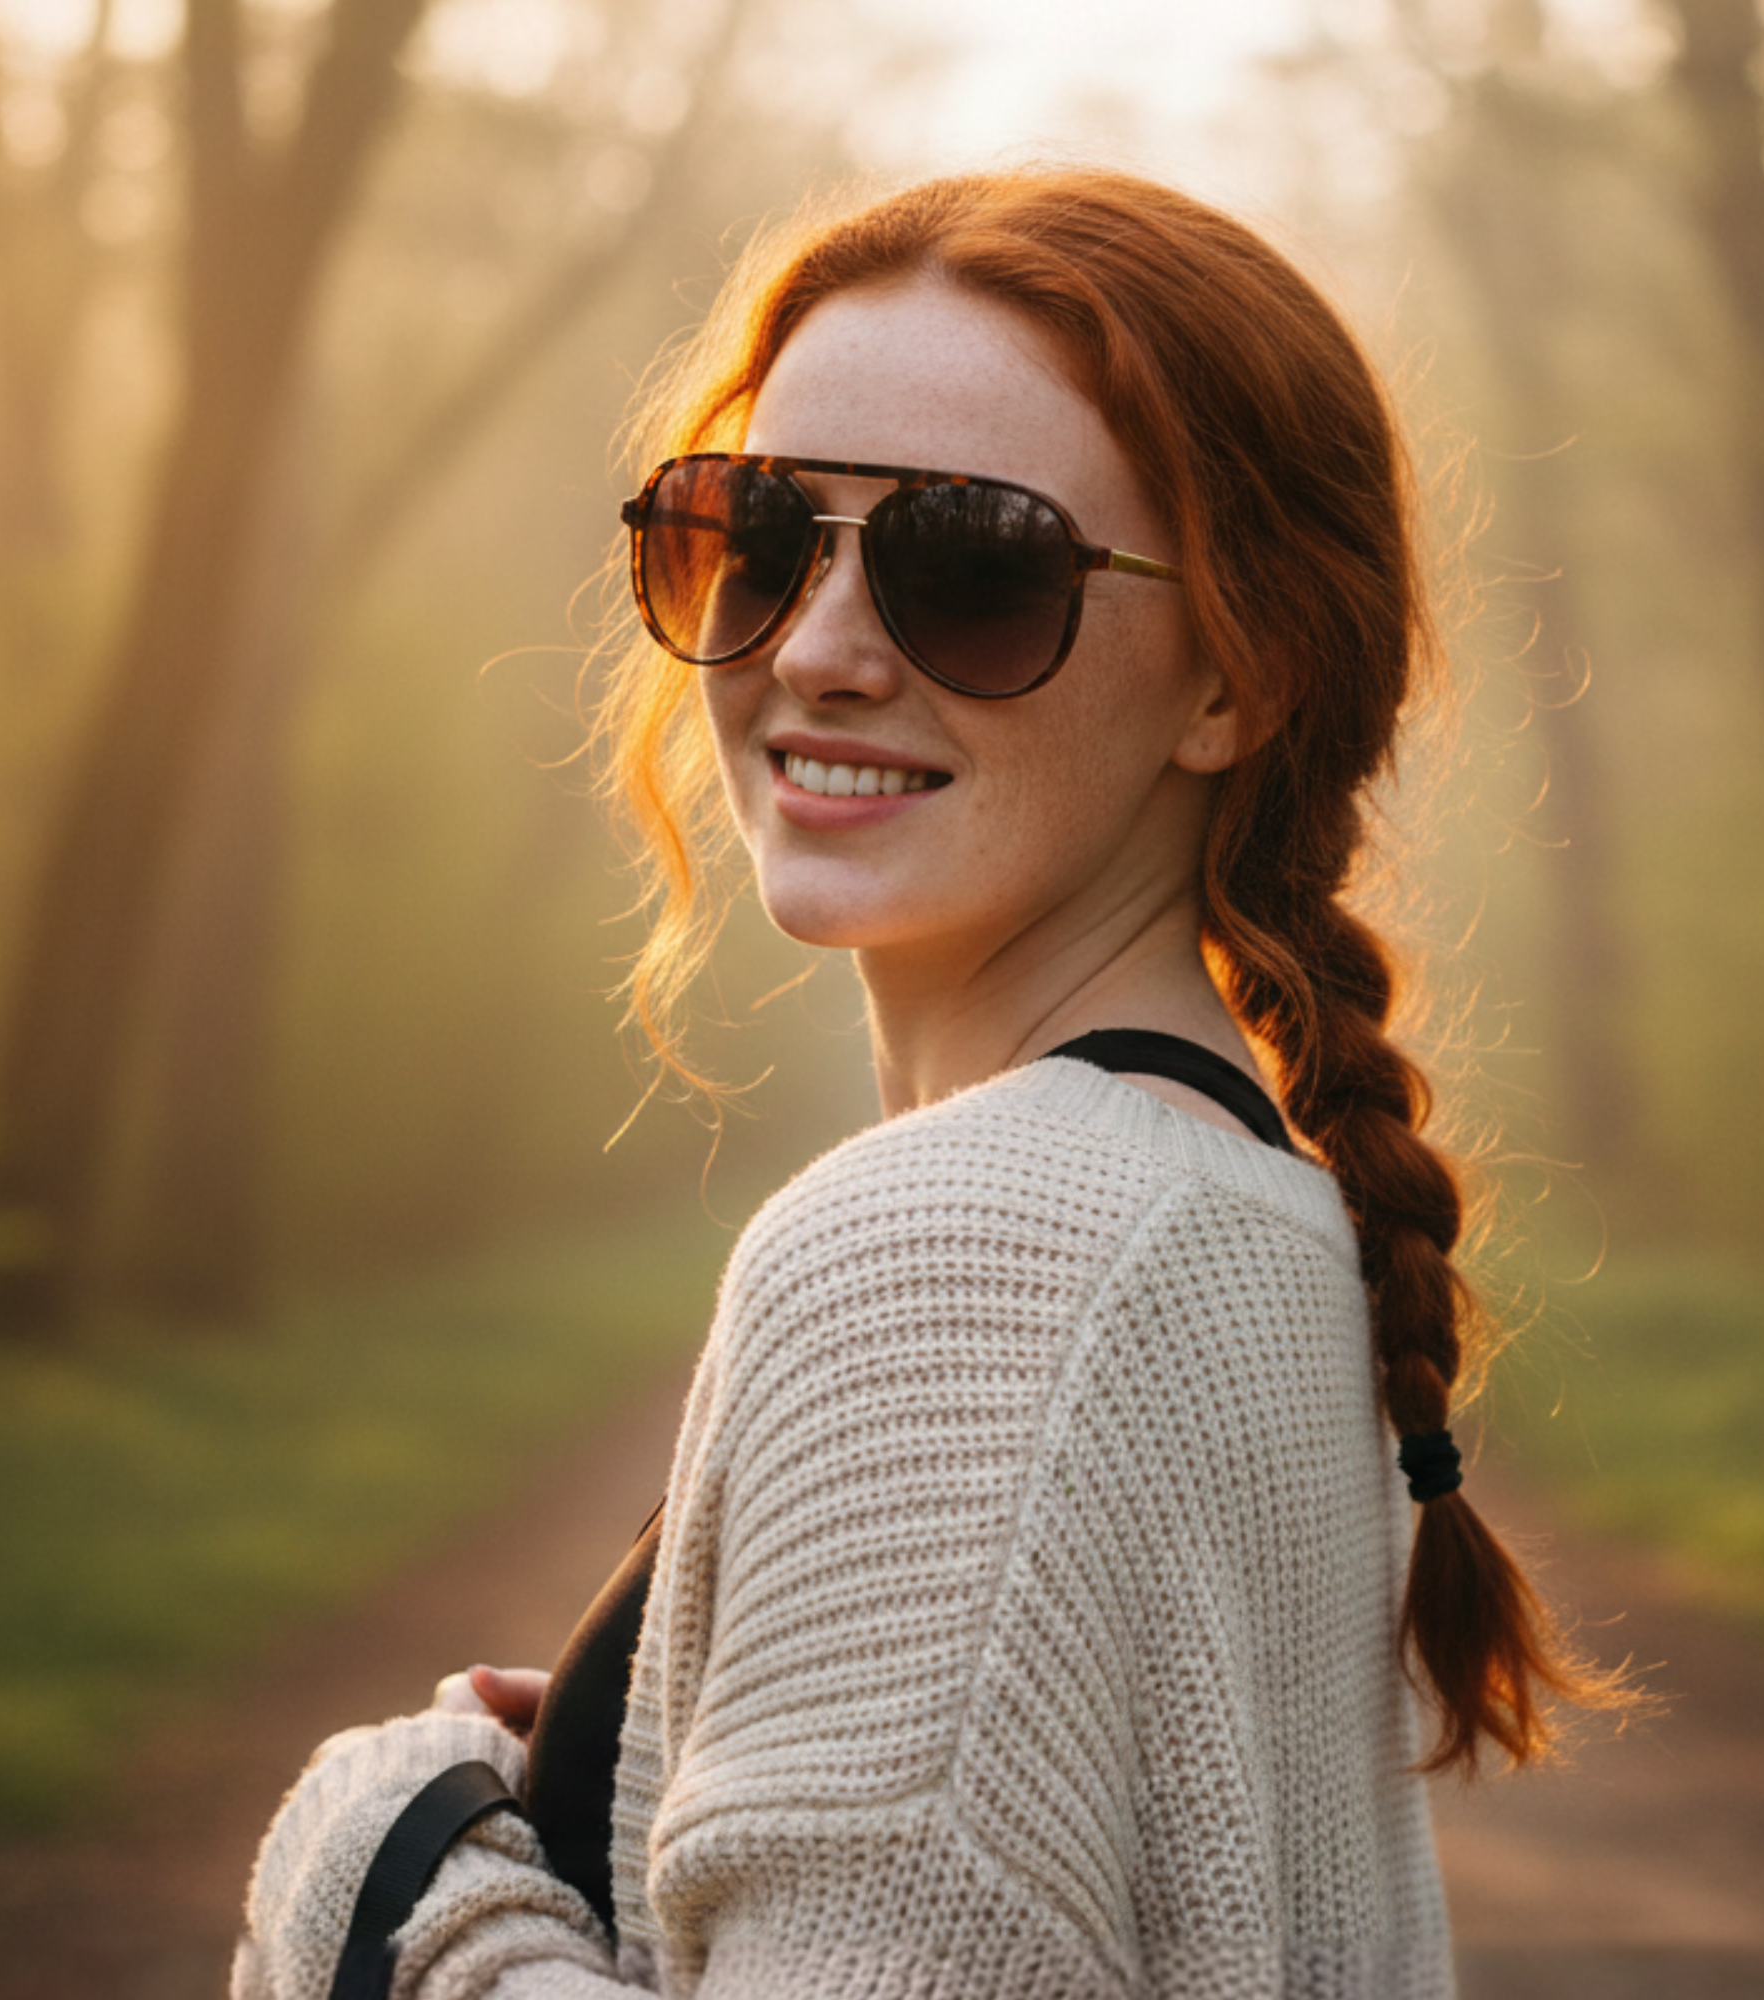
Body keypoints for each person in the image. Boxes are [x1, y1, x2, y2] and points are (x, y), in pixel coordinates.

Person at [234, 166, 1623, 2000]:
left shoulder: (961, 1255)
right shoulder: (1262, 1218)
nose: (815, 646)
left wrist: (397, 1869)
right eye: (759, 530)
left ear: (1240, 675)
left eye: (977, 566)